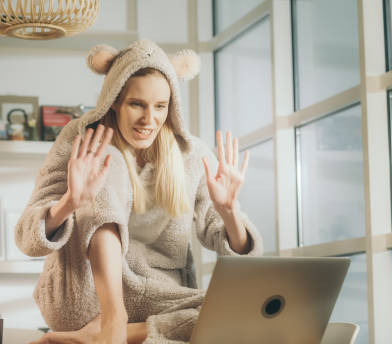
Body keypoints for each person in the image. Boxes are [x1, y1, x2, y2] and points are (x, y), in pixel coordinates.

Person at [16, 39, 263, 344]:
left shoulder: (193, 154)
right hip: (85, 295)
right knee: (106, 157)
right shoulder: (81, 139)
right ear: (115, 100)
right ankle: (113, 320)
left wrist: (229, 213)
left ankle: (93, 339)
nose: (149, 119)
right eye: (137, 104)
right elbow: (27, 240)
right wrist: (69, 203)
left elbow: (240, 254)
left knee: (238, 314)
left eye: (160, 106)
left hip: (159, 298)